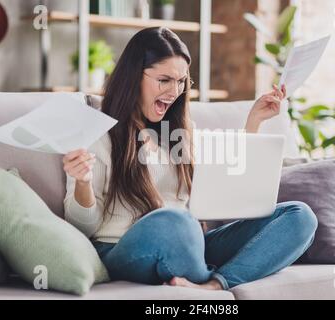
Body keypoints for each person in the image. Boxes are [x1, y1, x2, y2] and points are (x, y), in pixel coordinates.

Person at [63, 27, 317, 291]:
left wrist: (254, 122)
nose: (175, 92)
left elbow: (220, 194)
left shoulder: (182, 131)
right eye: (164, 80)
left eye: (181, 81)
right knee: (174, 221)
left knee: (301, 216)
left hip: (191, 243)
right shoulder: (99, 133)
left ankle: (215, 286)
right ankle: (204, 274)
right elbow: (82, 227)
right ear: (133, 76)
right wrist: (83, 182)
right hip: (124, 248)